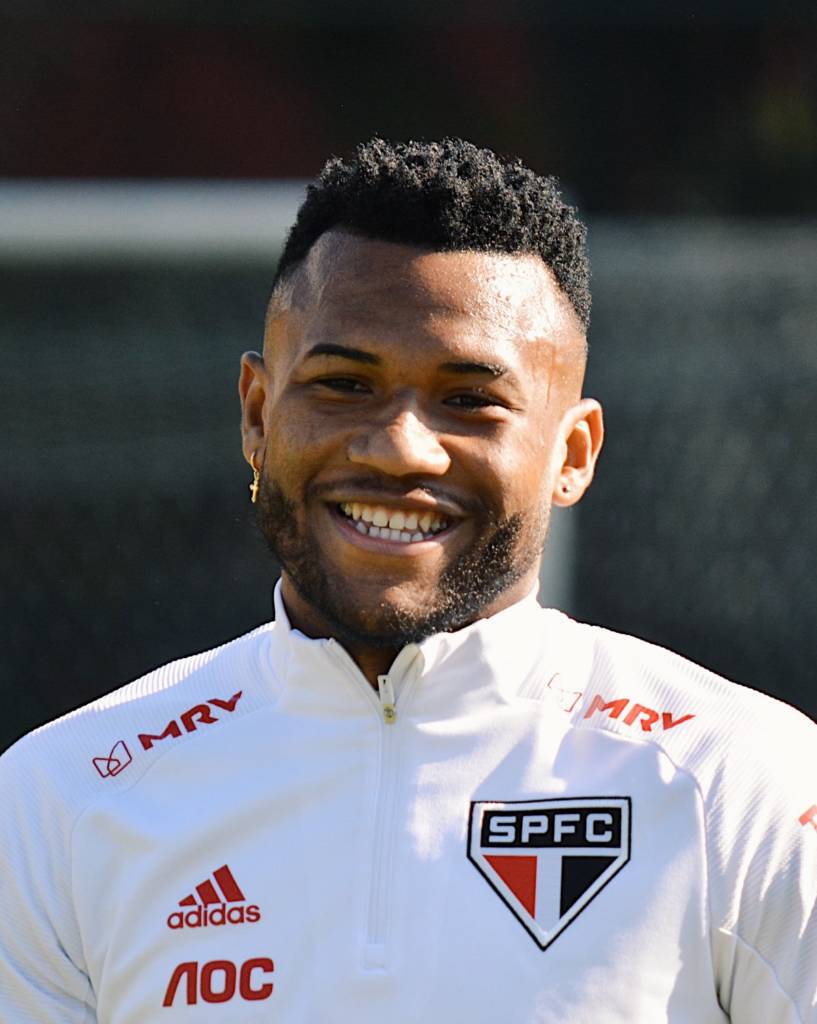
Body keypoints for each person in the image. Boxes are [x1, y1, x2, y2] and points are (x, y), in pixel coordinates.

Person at [1, 137, 815, 1023]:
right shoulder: (62, 798)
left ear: (572, 454)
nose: (398, 450)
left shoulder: (739, 785)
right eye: (344, 384)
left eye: (469, 401)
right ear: (257, 415)